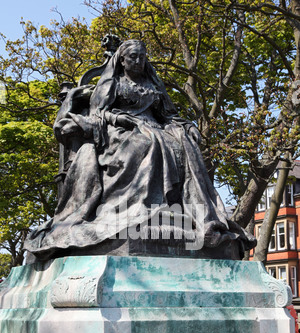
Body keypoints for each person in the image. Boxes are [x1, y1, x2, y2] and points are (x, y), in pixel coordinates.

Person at [24, 39, 255, 261]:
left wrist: (187, 126)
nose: (138, 61)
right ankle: (139, 208)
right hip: (121, 129)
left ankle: (174, 212)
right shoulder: (112, 83)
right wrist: (118, 118)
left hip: (156, 126)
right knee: (146, 145)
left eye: (142, 57)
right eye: (133, 57)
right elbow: (97, 113)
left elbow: (168, 114)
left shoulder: (153, 85)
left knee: (183, 144)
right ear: (122, 60)